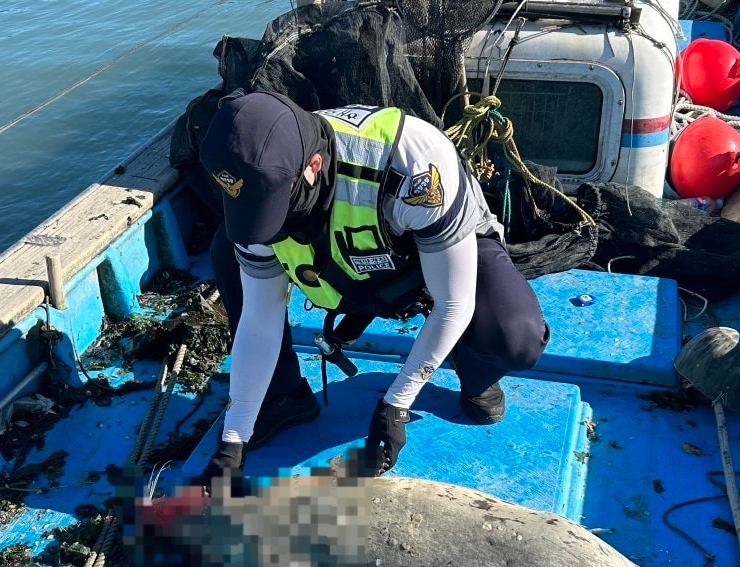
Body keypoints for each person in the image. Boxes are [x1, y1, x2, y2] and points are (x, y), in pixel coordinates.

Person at [198, 92, 549, 481]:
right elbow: (259, 320)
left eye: (277, 205)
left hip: (432, 257)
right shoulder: (258, 175)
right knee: (227, 250)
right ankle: (281, 396)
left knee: (516, 339)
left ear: (313, 166)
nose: (270, 228)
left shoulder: (415, 164)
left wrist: (396, 404)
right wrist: (234, 439)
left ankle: (474, 371)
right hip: (347, 267)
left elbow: (454, 300)